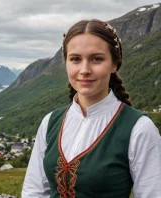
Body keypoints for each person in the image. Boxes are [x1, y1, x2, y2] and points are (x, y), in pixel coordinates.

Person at [22, 19, 161, 198]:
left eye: (96, 59)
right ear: (66, 63)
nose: (84, 69)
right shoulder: (50, 122)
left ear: (114, 64)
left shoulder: (139, 129)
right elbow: (34, 191)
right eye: (75, 59)